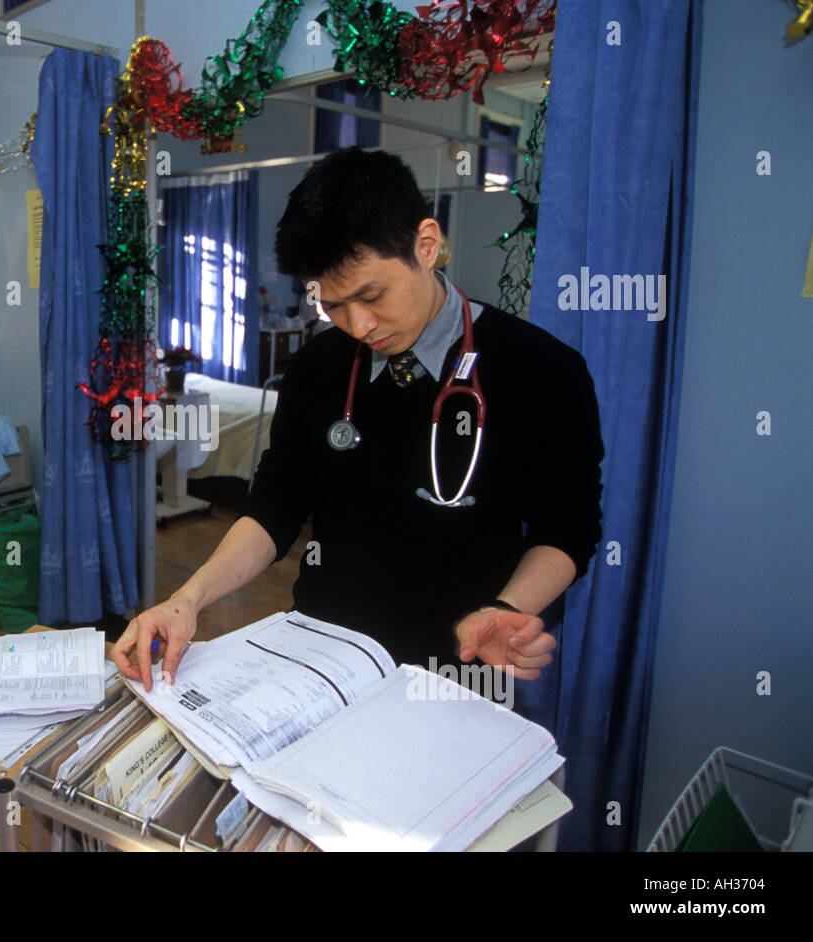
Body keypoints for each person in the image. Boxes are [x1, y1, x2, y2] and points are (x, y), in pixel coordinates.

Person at [113, 147, 604, 694]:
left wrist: (507, 609)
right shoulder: (318, 368)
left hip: (459, 662)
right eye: (334, 305)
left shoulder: (542, 369)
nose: (359, 325)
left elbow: (567, 529)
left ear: (427, 244)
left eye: (371, 295)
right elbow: (274, 509)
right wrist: (188, 599)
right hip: (322, 655)